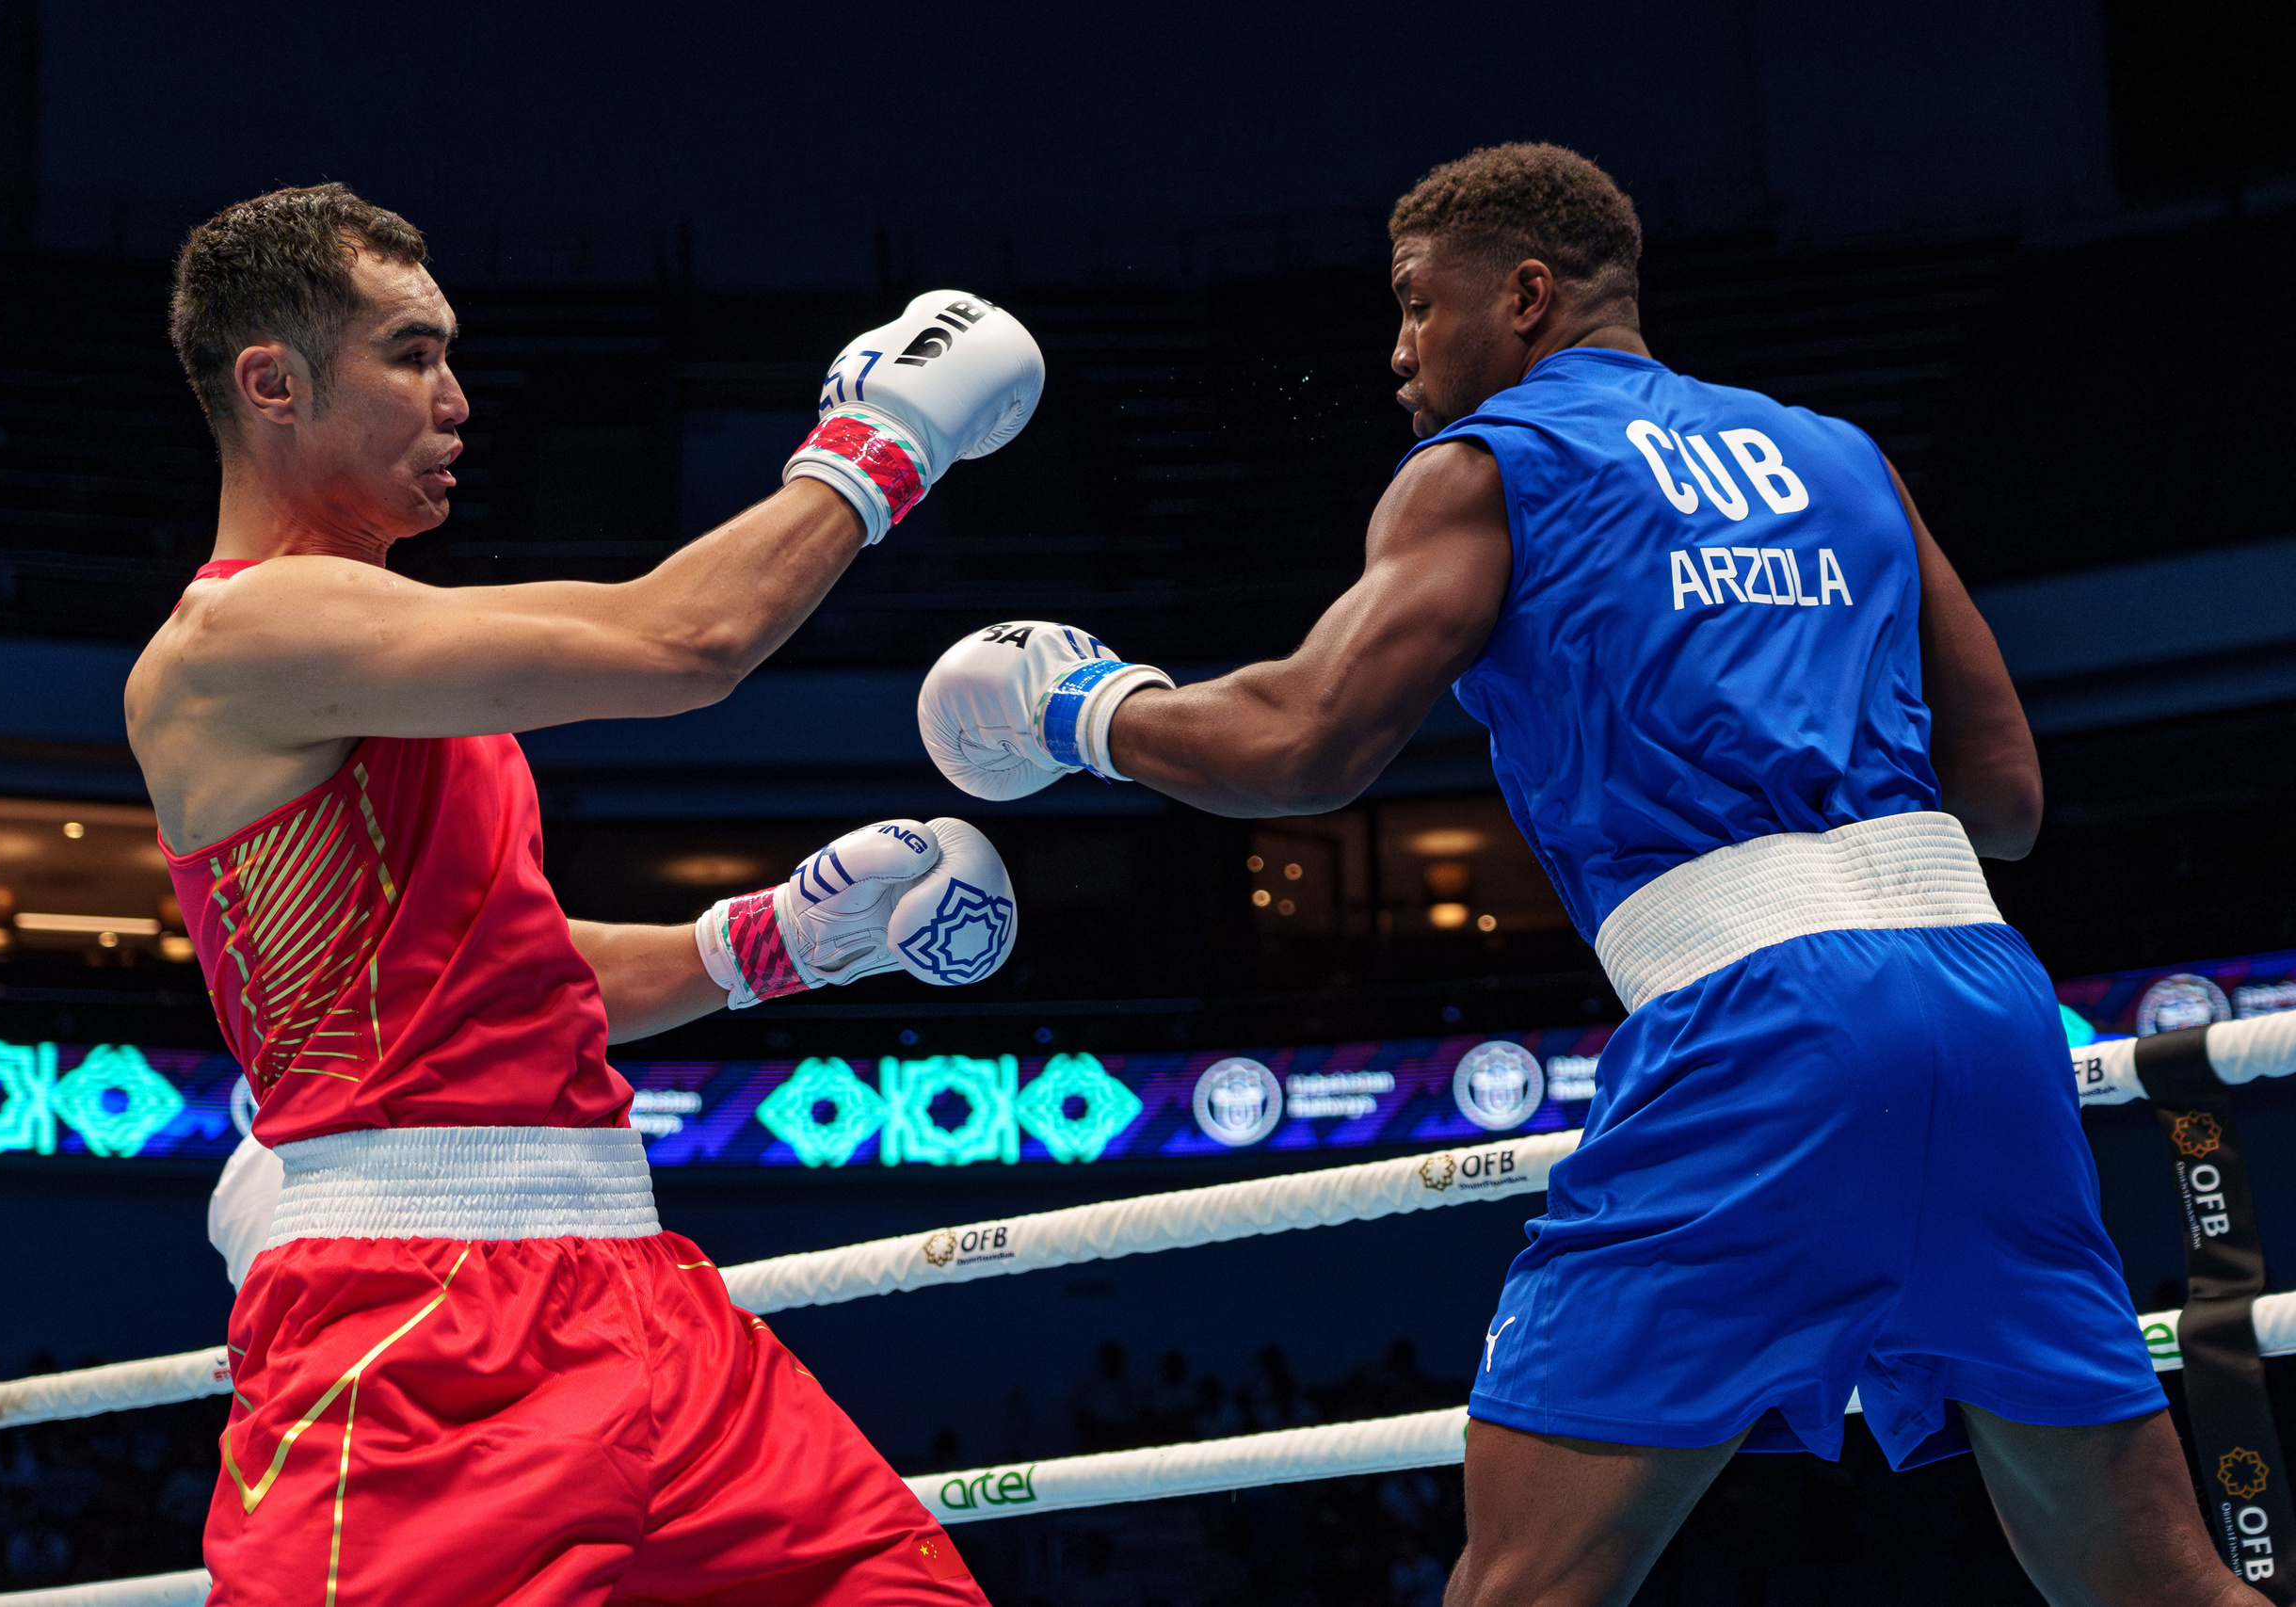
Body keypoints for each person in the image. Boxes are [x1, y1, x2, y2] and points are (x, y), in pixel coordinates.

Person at [914, 145, 2256, 1605]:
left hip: (1757, 1030)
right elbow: (2006, 802)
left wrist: (1078, 708)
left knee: (1529, 1587)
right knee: (2150, 1582)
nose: (1399, 349)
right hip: (1990, 1013)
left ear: (1529, 297)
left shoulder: (1490, 467)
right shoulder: (1841, 458)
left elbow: (1302, 746)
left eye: (1420, 304)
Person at [128, 183, 1037, 1606]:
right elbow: (689, 641)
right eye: (412, 355)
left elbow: (505, 973)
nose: (458, 400)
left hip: (638, 1293)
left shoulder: (398, 670)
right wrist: (882, 441)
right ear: (273, 383)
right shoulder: (242, 633)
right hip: (416, 1323)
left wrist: (774, 944)